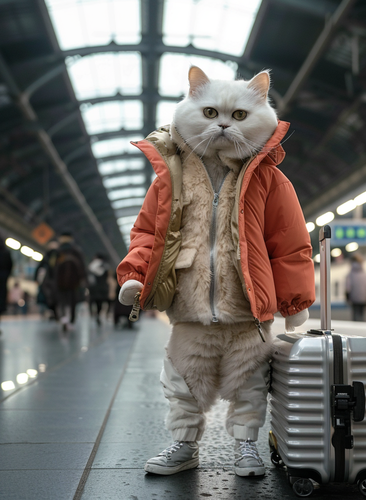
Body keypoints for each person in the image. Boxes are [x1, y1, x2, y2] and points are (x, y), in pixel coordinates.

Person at [117, 67, 315, 477]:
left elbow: (289, 243)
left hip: (247, 307)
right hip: (188, 303)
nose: (223, 124)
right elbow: (148, 233)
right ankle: (184, 445)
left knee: (250, 382)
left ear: (262, 110)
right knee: (182, 379)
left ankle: (247, 447)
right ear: (189, 104)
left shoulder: (270, 180)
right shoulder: (171, 178)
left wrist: (294, 302)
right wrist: (134, 275)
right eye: (209, 112)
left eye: (239, 115)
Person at [54, 232, 86, 331]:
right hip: (74, 282)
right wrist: (84, 280)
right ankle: (71, 320)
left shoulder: (58, 251)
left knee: (62, 300)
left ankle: (63, 318)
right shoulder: (76, 251)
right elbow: (82, 267)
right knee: (73, 301)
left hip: (59, 281)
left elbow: (52, 267)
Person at [34, 239, 59, 319]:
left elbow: (39, 268)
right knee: (56, 298)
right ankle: (55, 312)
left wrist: (36, 279)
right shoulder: (60, 256)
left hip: (47, 282)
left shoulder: (46, 257)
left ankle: (51, 312)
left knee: (48, 298)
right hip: (56, 282)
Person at [345, 254, 366, 321]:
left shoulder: (350, 274)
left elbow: (348, 287)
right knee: (362, 316)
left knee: (355, 316)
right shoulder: (365, 274)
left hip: (354, 299)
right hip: (364, 299)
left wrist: (347, 297)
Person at [87, 253, 110, 325]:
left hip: (93, 289)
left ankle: (93, 314)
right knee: (100, 304)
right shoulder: (105, 267)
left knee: (92, 302)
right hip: (102, 289)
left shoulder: (90, 267)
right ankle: (98, 315)